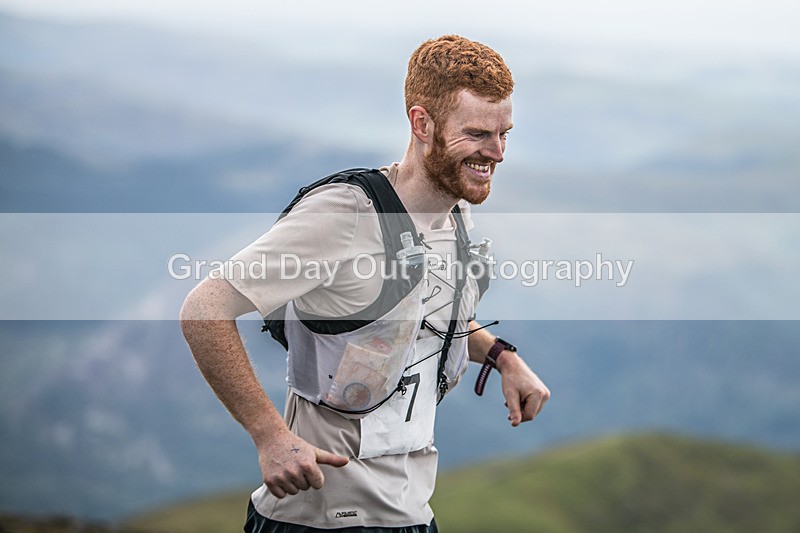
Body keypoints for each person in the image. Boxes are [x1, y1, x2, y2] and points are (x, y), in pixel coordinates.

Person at [180, 35, 550, 532]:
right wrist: (268, 435)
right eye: (479, 133)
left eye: (506, 132)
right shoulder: (345, 215)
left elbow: (418, 317)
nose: (498, 152)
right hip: (313, 521)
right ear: (423, 124)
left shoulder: (455, 215)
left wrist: (503, 357)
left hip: (412, 517)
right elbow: (203, 309)